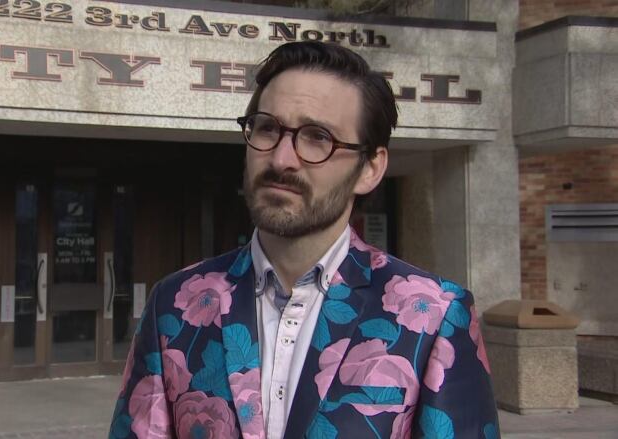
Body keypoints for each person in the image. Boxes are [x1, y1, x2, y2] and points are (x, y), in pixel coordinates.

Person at [108, 41, 499, 439]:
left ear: (370, 168)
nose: (281, 159)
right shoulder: (175, 303)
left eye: (317, 137)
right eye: (267, 128)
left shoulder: (434, 316)